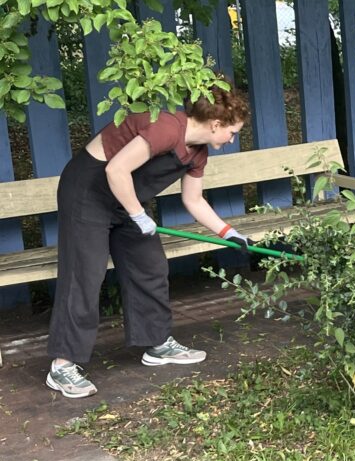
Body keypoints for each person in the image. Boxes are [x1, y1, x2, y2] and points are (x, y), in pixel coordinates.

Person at [46, 81, 252, 398]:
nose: (232, 139)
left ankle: (157, 344)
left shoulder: (198, 153)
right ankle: (62, 365)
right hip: (88, 192)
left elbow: (194, 200)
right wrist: (138, 214)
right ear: (215, 124)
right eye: (232, 132)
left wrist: (228, 232)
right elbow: (116, 170)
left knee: (150, 265)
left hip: (127, 200)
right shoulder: (166, 128)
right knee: (84, 275)